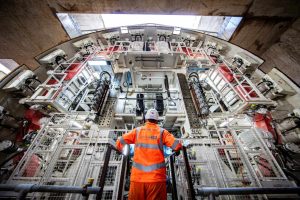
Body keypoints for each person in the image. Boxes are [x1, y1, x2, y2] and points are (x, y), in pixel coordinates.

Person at [116, 108, 182, 200]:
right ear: (157, 120)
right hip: (156, 180)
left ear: (145, 119)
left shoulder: (137, 131)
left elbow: (120, 141)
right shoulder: (162, 132)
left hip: (137, 179)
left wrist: (119, 149)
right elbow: (176, 145)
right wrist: (179, 148)